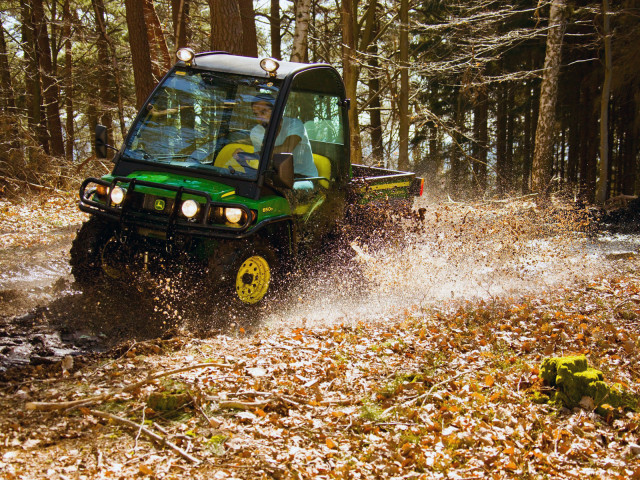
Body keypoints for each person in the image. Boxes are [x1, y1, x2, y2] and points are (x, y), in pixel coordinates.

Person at [234, 94, 318, 179]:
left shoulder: (294, 124)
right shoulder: (256, 132)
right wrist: (242, 158)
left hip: (304, 178)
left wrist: (250, 156)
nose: (259, 118)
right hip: (277, 176)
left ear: (276, 111)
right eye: (256, 114)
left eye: (263, 112)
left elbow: (286, 150)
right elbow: (263, 161)